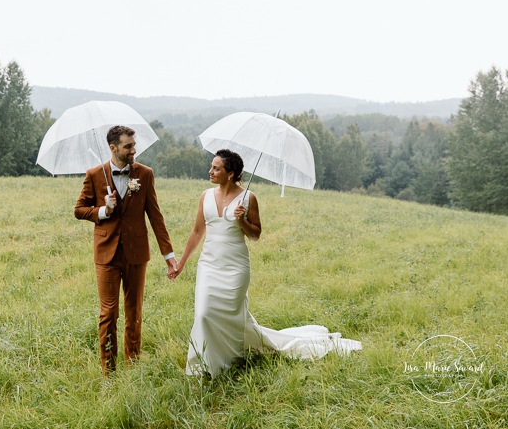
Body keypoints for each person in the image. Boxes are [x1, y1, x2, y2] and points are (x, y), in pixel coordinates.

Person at [172, 149, 361, 377]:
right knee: (203, 313)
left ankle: (231, 359)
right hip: (209, 265)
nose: (210, 171)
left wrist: (242, 220)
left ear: (230, 174)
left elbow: (255, 235)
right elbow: (196, 231)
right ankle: (203, 364)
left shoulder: (248, 198)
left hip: (235, 267)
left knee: (230, 314)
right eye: (211, 167)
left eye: (216, 168)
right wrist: (181, 263)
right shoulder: (205, 196)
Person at [75, 125, 178, 375]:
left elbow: (155, 216)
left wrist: (169, 255)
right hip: (106, 254)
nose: (134, 150)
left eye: (134, 145)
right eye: (128, 146)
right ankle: (108, 373)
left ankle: (132, 369)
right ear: (113, 148)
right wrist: (103, 210)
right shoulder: (94, 175)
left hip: (136, 253)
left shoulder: (145, 174)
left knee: (134, 313)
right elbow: (79, 210)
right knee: (108, 314)